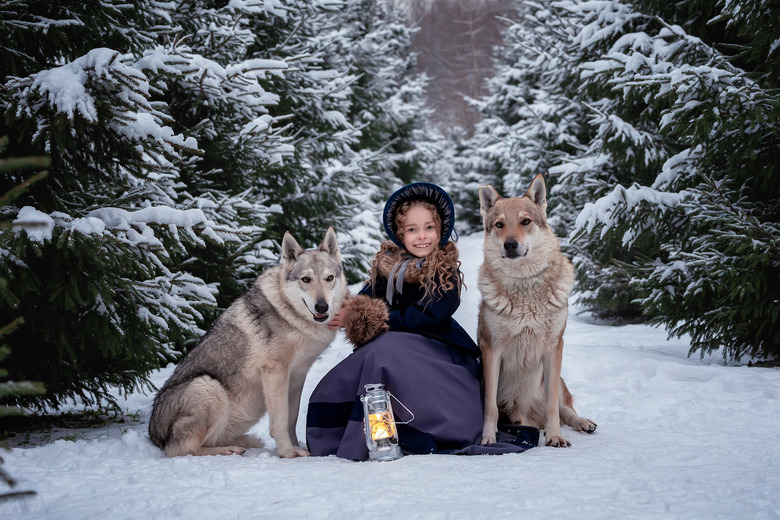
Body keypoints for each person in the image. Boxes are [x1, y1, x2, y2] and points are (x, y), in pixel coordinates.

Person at [305, 183, 536, 460]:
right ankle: (376, 427)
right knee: (374, 355)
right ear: (400, 234)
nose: (422, 236)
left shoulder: (444, 269)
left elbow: (429, 315)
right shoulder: (388, 268)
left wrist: (376, 320)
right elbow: (362, 300)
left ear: (440, 231)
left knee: (384, 349)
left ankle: (424, 425)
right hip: (395, 351)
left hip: (439, 354)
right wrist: (349, 311)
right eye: (412, 230)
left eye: (429, 228)